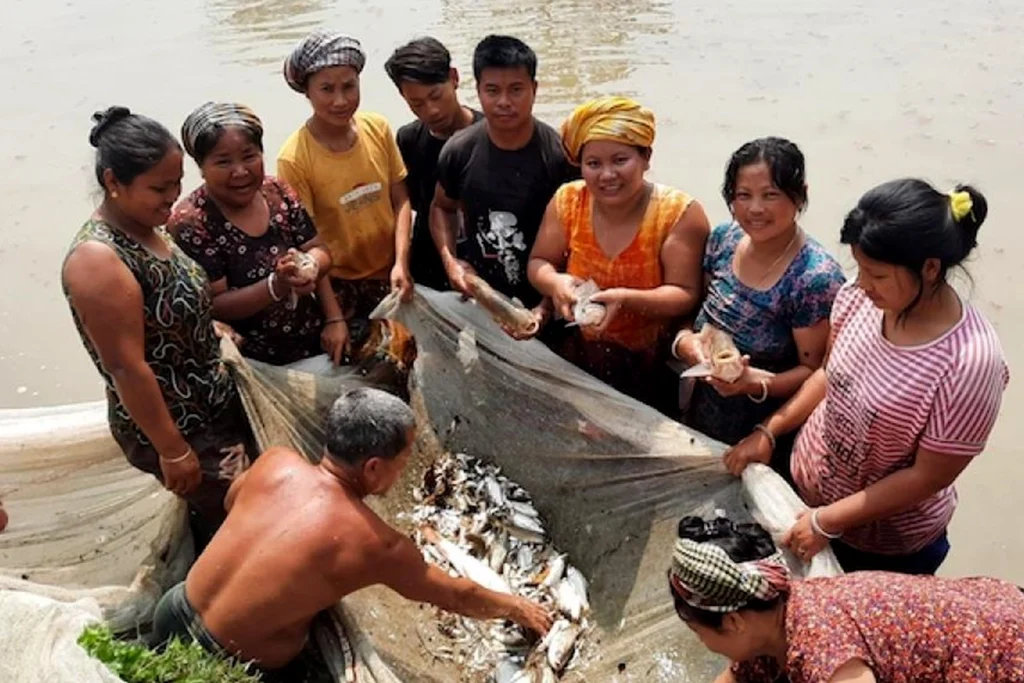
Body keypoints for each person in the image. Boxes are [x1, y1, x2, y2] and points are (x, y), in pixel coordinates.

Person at [152, 388, 552, 680]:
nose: (405, 468)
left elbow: (231, 504)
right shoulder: (377, 543)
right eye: (405, 458)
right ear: (374, 467)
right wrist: (518, 608)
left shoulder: (276, 461)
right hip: (230, 666)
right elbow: (455, 594)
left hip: (173, 611)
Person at [724, 179, 1009, 575]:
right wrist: (771, 430)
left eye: (877, 275)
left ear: (930, 268)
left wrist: (829, 521)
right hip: (803, 489)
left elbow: (927, 476)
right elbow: (828, 374)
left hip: (884, 542)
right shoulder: (859, 299)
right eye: (858, 267)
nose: (860, 284)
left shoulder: (970, 363)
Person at [62, 108, 257, 546]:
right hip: (177, 424)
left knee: (240, 510)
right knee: (246, 522)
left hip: (212, 403)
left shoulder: (150, 227)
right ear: (114, 183)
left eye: (176, 183)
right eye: (159, 188)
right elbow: (126, 368)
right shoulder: (99, 260)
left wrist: (210, 329)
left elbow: (167, 308)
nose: (173, 197)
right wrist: (173, 450)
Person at [668, 514, 1024, 683]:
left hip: (1003, 652)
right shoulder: (776, 610)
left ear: (733, 621)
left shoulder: (825, 655)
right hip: (988, 603)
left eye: (700, 633)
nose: (703, 644)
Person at [528, 96, 709, 408]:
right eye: (594, 164)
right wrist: (556, 284)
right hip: (582, 351)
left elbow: (684, 294)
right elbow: (539, 262)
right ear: (580, 165)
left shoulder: (677, 212)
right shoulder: (569, 200)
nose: (607, 175)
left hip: (653, 360)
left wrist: (624, 300)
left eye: (620, 160)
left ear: (646, 157)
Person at [673, 137, 845, 460]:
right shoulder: (724, 239)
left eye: (770, 195)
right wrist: (684, 342)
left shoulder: (814, 278)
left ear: (801, 195)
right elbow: (696, 310)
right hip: (697, 406)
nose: (755, 209)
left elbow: (816, 372)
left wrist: (753, 383)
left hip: (763, 430)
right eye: (743, 195)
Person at [278, 31, 414, 365]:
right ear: (307, 91)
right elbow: (308, 245)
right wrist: (334, 317)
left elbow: (401, 201)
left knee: (409, 357)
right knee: (363, 364)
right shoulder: (294, 158)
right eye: (327, 89)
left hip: (392, 274)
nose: (340, 100)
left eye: (348, 86)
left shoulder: (377, 128)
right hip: (339, 284)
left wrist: (401, 263)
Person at [168, 102, 333, 365]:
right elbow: (214, 304)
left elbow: (319, 248)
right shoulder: (191, 221)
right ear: (201, 167)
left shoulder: (276, 191)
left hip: (311, 339)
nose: (240, 171)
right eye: (223, 162)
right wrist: (275, 286)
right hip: (250, 361)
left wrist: (310, 267)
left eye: (249, 156)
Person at [430, 34, 577, 327]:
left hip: (549, 299)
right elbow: (442, 207)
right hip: (486, 300)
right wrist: (451, 262)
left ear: (534, 90)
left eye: (516, 90)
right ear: (479, 90)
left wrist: (546, 306)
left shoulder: (560, 157)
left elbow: (578, 240)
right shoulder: (459, 150)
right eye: (493, 90)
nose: (504, 102)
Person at [385, 37, 483, 291]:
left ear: (454, 78)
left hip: (482, 269)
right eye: (416, 104)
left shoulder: (491, 135)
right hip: (429, 270)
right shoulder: (407, 140)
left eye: (436, 96)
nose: (431, 111)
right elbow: (412, 205)